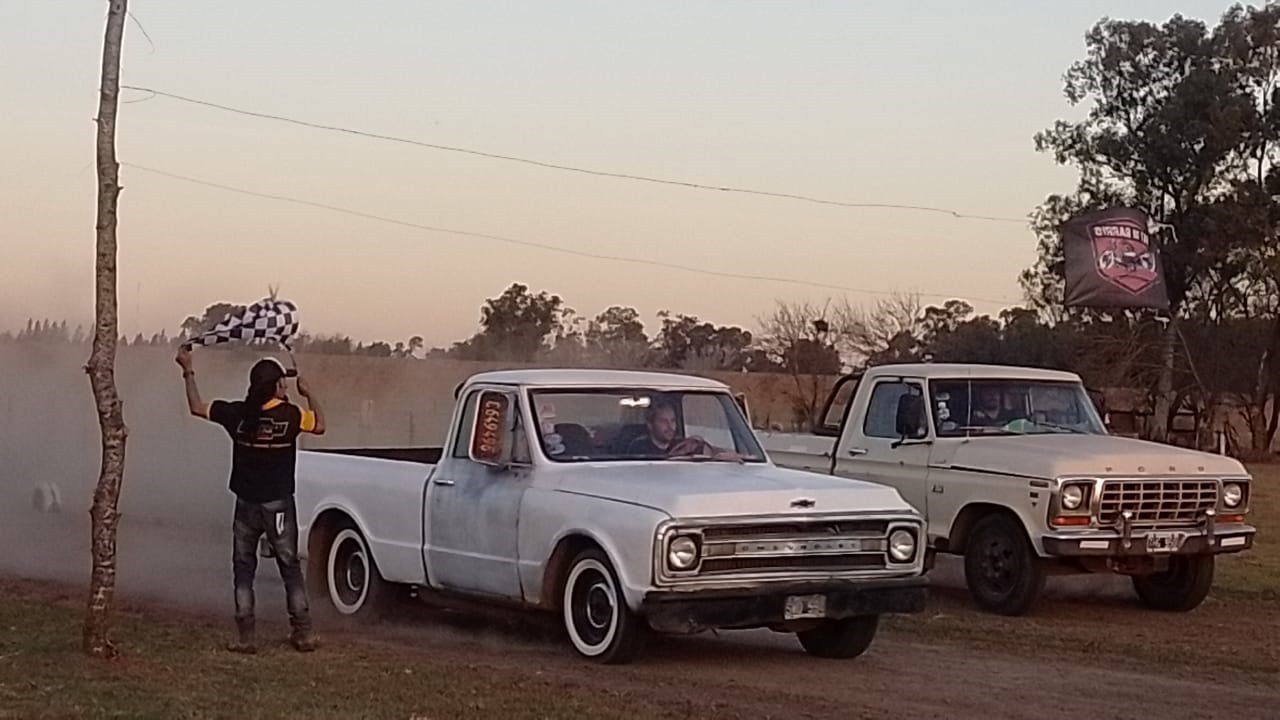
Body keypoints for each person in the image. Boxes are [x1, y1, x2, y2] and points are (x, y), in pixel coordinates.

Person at [176, 347, 325, 654]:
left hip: (246, 505)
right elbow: (320, 425)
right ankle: (303, 633)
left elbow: (196, 406)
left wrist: (188, 370)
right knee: (290, 567)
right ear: (276, 386)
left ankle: (246, 637)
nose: (285, 387)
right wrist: (309, 393)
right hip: (279, 505)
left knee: (244, 569)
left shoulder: (237, 414)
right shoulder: (292, 415)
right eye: (283, 383)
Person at [626, 401, 743, 461]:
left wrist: (718, 455)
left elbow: (707, 454)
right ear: (650, 425)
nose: (670, 426)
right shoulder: (638, 447)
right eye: (663, 421)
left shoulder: (682, 444)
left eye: (673, 421)